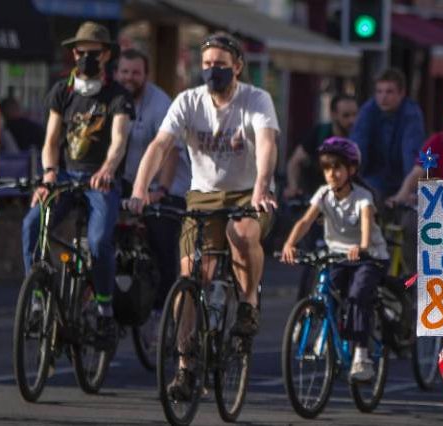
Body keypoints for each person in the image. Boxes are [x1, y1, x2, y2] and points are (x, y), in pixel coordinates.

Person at [125, 32, 279, 400]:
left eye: (220, 65)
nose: (212, 71)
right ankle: (185, 366)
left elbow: (267, 143)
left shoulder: (256, 99)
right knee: (191, 278)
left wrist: (262, 186)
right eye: (207, 64)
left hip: (248, 192)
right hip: (203, 197)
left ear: (237, 67)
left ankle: (248, 305)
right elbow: (160, 145)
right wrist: (139, 190)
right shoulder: (188, 101)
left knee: (242, 235)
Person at [21, 21, 133, 322]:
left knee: (98, 242)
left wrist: (108, 169)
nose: (86, 58)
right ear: (73, 54)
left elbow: (120, 140)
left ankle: (104, 305)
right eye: (81, 52)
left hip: (101, 181)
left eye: (93, 53)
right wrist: (48, 174)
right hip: (66, 177)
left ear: (106, 55)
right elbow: (51, 140)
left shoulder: (117, 95)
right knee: (32, 225)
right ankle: (38, 295)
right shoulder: (63, 90)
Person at [280, 137, 388, 382]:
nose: (331, 174)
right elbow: (305, 221)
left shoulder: (363, 198)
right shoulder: (323, 194)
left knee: (358, 295)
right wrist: (289, 243)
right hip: (338, 255)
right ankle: (327, 333)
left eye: (337, 168)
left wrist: (361, 247)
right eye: (326, 168)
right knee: (328, 290)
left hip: (369, 257)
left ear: (352, 170)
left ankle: (361, 354)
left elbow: (366, 226)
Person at [114, 48, 182, 311]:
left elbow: (170, 152)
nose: (129, 78)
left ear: (146, 75)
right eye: (124, 72)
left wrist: (161, 189)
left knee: (161, 239)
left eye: (135, 73)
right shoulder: (113, 98)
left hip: (165, 184)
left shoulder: (159, 103)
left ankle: (161, 311)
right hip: (129, 183)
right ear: (116, 73)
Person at [350, 68, 426, 197]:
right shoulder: (367, 111)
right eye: (379, 91)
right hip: (373, 179)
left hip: (402, 179)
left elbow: (411, 151)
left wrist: (408, 190)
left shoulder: (411, 113)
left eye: (389, 92)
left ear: (401, 93)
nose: (383, 97)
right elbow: (358, 147)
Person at [285, 94, 358, 201]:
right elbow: (295, 162)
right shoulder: (320, 133)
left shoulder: (360, 137)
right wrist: (293, 187)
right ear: (333, 114)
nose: (352, 120)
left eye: (355, 115)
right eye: (346, 116)